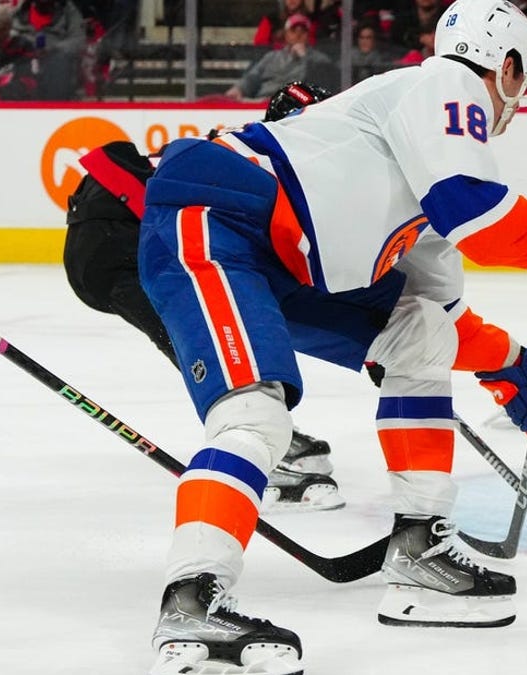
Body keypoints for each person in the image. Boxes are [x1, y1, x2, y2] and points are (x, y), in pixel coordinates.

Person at [139, 0, 527, 672]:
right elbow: (474, 207)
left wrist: (511, 366)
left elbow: (438, 318)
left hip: (283, 251)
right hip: (217, 215)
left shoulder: (420, 167)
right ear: (505, 66)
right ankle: (191, 605)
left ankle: (418, 550)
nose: (513, 110)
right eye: (522, 88)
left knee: (419, 333)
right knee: (256, 417)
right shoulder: (444, 84)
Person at [63, 83, 346, 512]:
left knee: (220, 333)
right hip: (119, 241)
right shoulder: (267, 159)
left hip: (117, 236)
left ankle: (261, 435)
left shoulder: (249, 146)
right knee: (211, 339)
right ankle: (255, 451)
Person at [225, 13, 335, 100]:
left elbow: (324, 85)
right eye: (293, 30)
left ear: (308, 35)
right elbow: (252, 77)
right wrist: (239, 89)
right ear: (286, 34)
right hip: (263, 102)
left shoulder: (320, 59)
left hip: (296, 107)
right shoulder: (271, 57)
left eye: (303, 31)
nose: (298, 35)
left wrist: (305, 58)